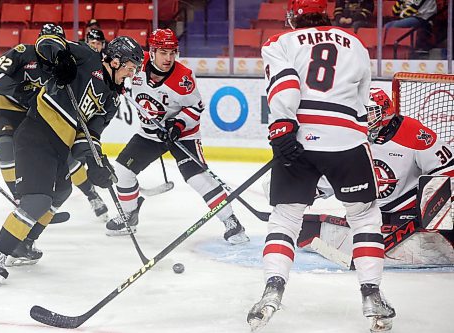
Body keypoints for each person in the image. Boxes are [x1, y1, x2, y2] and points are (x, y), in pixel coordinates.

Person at [247, 0, 395, 332]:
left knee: (286, 216)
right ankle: (372, 294)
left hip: (299, 135)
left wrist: (282, 125)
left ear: (294, 17)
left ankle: (272, 289)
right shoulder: (355, 42)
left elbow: (285, 84)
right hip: (346, 139)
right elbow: (362, 99)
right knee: (364, 215)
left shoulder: (280, 42)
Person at [0, 33, 144, 286]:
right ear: (115, 61)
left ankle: (24, 244)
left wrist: (97, 162)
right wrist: (62, 58)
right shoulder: (88, 57)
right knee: (37, 200)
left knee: (61, 191)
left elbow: (89, 135)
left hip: (61, 147)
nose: (131, 74)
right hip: (37, 132)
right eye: (130, 68)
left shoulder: (112, 100)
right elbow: (47, 41)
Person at [105, 28, 249, 245]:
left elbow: (195, 108)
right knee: (123, 171)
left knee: (197, 178)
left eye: (173, 52)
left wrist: (177, 125)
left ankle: (231, 221)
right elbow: (113, 71)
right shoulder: (135, 64)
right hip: (150, 134)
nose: (169, 58)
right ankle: (129, 215)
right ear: (152, 52)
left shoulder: (183, 78)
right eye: (163, 52)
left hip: (183, 135)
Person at [298, 88, 454, 266]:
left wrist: (432, 208)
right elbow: (336, 174)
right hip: (367, 212)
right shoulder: (350, 136)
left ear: (385, 112)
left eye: (370, 113)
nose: (364, 118)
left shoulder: (412, 132)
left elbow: (447, 167)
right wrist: (304, 191)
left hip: (407, 216)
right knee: (308, 228)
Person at [0, 24, 110, 224]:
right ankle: (21, 200)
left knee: (65, 158)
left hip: (38, 117)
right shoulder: (23, 52)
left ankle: (92, 195)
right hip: (10, 112)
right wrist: (22, 90)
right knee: (5, 147)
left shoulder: (68, 64)